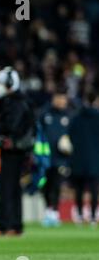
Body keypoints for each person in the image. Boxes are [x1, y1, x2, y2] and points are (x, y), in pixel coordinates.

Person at [0, 67, 35, 236]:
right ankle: (10, 225)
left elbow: (11, 126)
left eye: (0, 83)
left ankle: (8, 225)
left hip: (15, 150)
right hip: (13, 149)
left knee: (8, 187)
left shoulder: (16, 102)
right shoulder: (12, 101)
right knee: (11, 187)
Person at [38, 88, 72, 226]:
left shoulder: (69, 116)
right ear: (54, 99)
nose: (61, 101)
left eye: (63, 98)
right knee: (45, 185)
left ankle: (55, 211)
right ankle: (48, 210)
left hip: (61, 158)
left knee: (57, 185)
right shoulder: (45, 114)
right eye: (59, 98)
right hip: (46, 157)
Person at [68, 93, 99, 225]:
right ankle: (92, 216)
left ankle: (80, 215)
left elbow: (70, 137)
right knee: (93, 189)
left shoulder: (76, 118)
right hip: (95, 159)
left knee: (79, 189)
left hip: (78, 158)